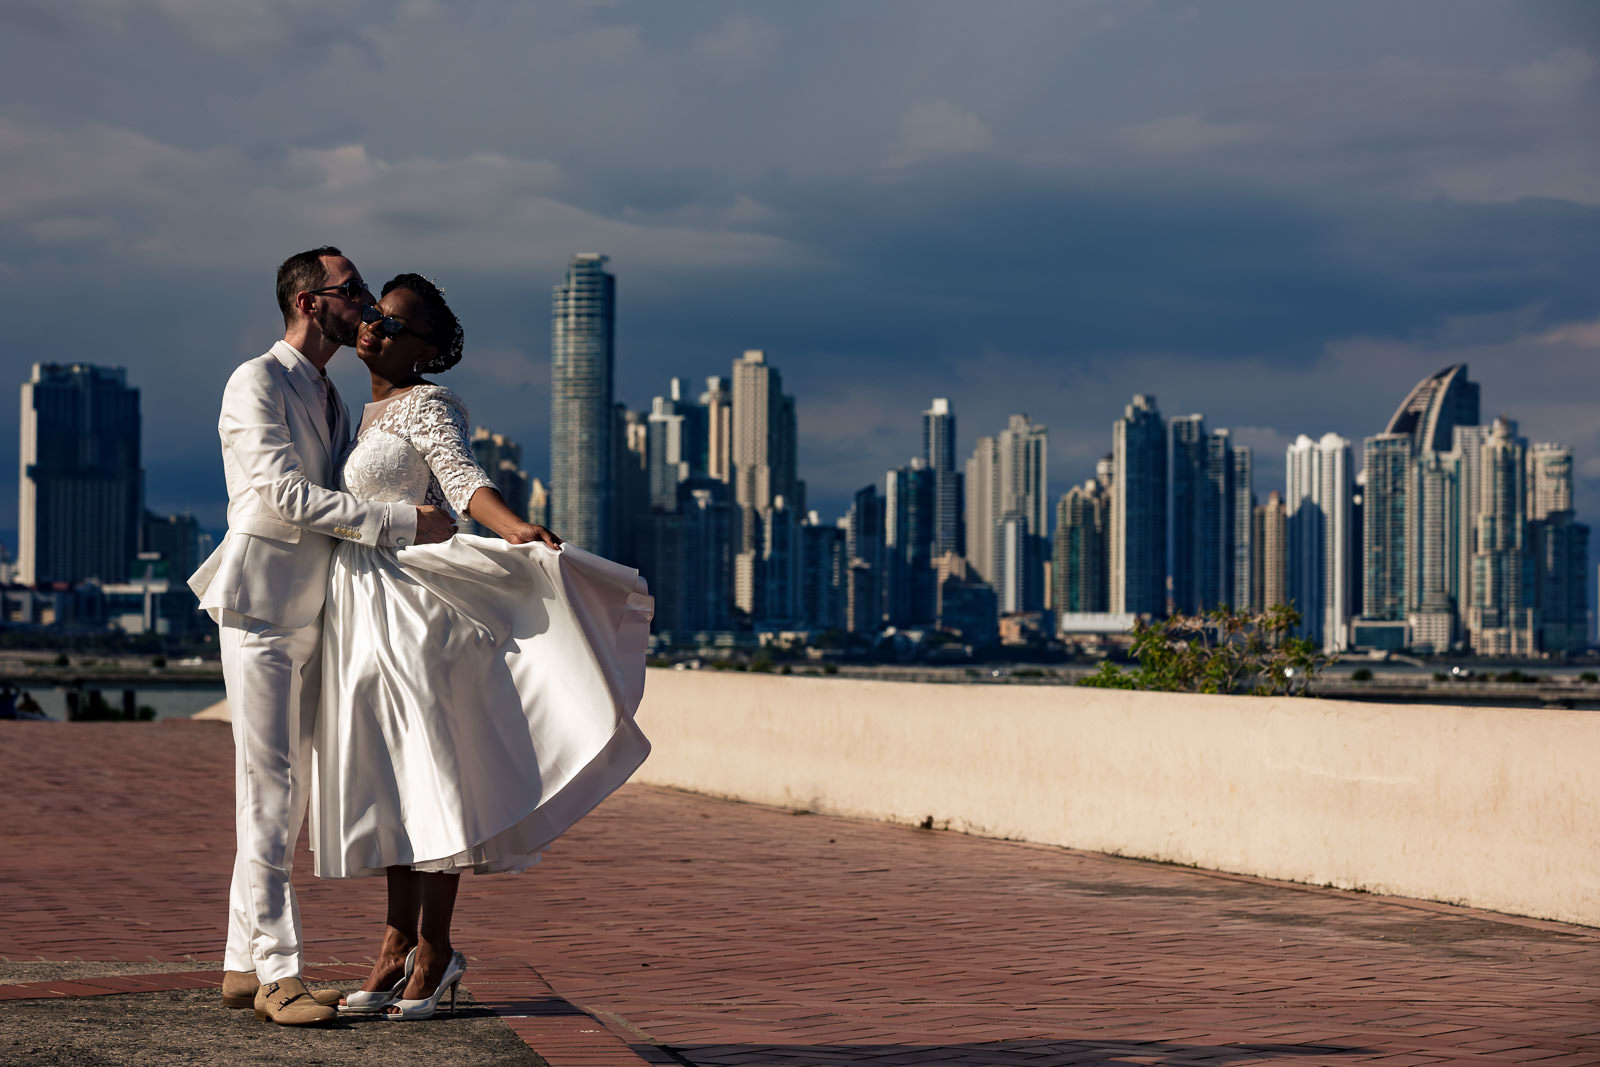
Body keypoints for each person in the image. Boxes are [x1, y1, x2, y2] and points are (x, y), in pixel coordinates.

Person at [311, 274, 651, 1021]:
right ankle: (395, 946)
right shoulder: (354, 415)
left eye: (396, 325)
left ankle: (436, 948)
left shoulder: (429, 405)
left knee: (433, 772)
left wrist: (513, 528)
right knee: (388, 776)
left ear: (428, 349)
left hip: (416, 607)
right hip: (361, 608)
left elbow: (462, 480)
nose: (376, 329)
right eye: (372, 315)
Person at [188, 248, 457, 1026]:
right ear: (311, 303)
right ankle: (278, 975)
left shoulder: (330, 394)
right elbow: (282, 494)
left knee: (284, 790)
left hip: (319, 609)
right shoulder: (257, 380)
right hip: (263, 605)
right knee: (270, 789)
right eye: (355, 292)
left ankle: (243, 960)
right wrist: (406, 524)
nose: (369, 305)